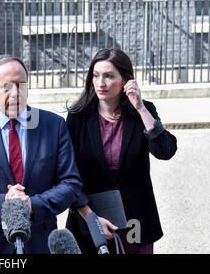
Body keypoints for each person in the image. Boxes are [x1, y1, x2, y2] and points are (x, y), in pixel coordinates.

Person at [0, 54, 82, 254]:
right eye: (7, 86)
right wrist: (4, 203)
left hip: (41, 243)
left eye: (21, 85)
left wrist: (32, 205)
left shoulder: (53, 126)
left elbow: (71, 184)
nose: (15, 93)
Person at [65, 48, 177, 254]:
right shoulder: (78, 117)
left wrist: (141, 108)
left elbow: (165, 151)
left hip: (135, 219)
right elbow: (67, 171)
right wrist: (89, 215)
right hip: (91, 217)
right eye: (96, 75)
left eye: (109, 76)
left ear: (126, 80)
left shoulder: (143, 112)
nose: (100, 83)